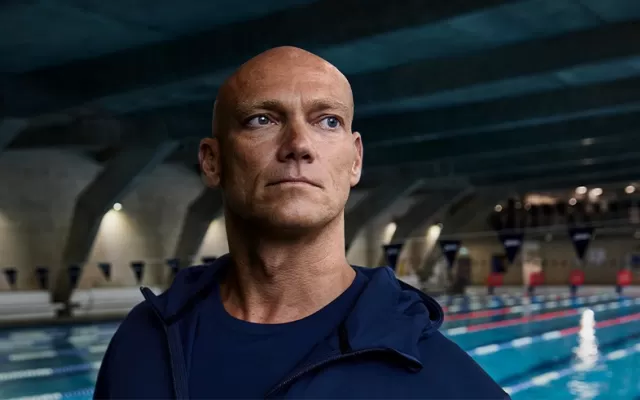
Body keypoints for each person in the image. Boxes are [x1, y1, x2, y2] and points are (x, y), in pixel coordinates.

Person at [94, 46, 509, 399]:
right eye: (262, 119)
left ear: (355, 159)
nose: (298, 145)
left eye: (328, 121)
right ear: (212, 161)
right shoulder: (143, 342)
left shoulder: (439, 378)